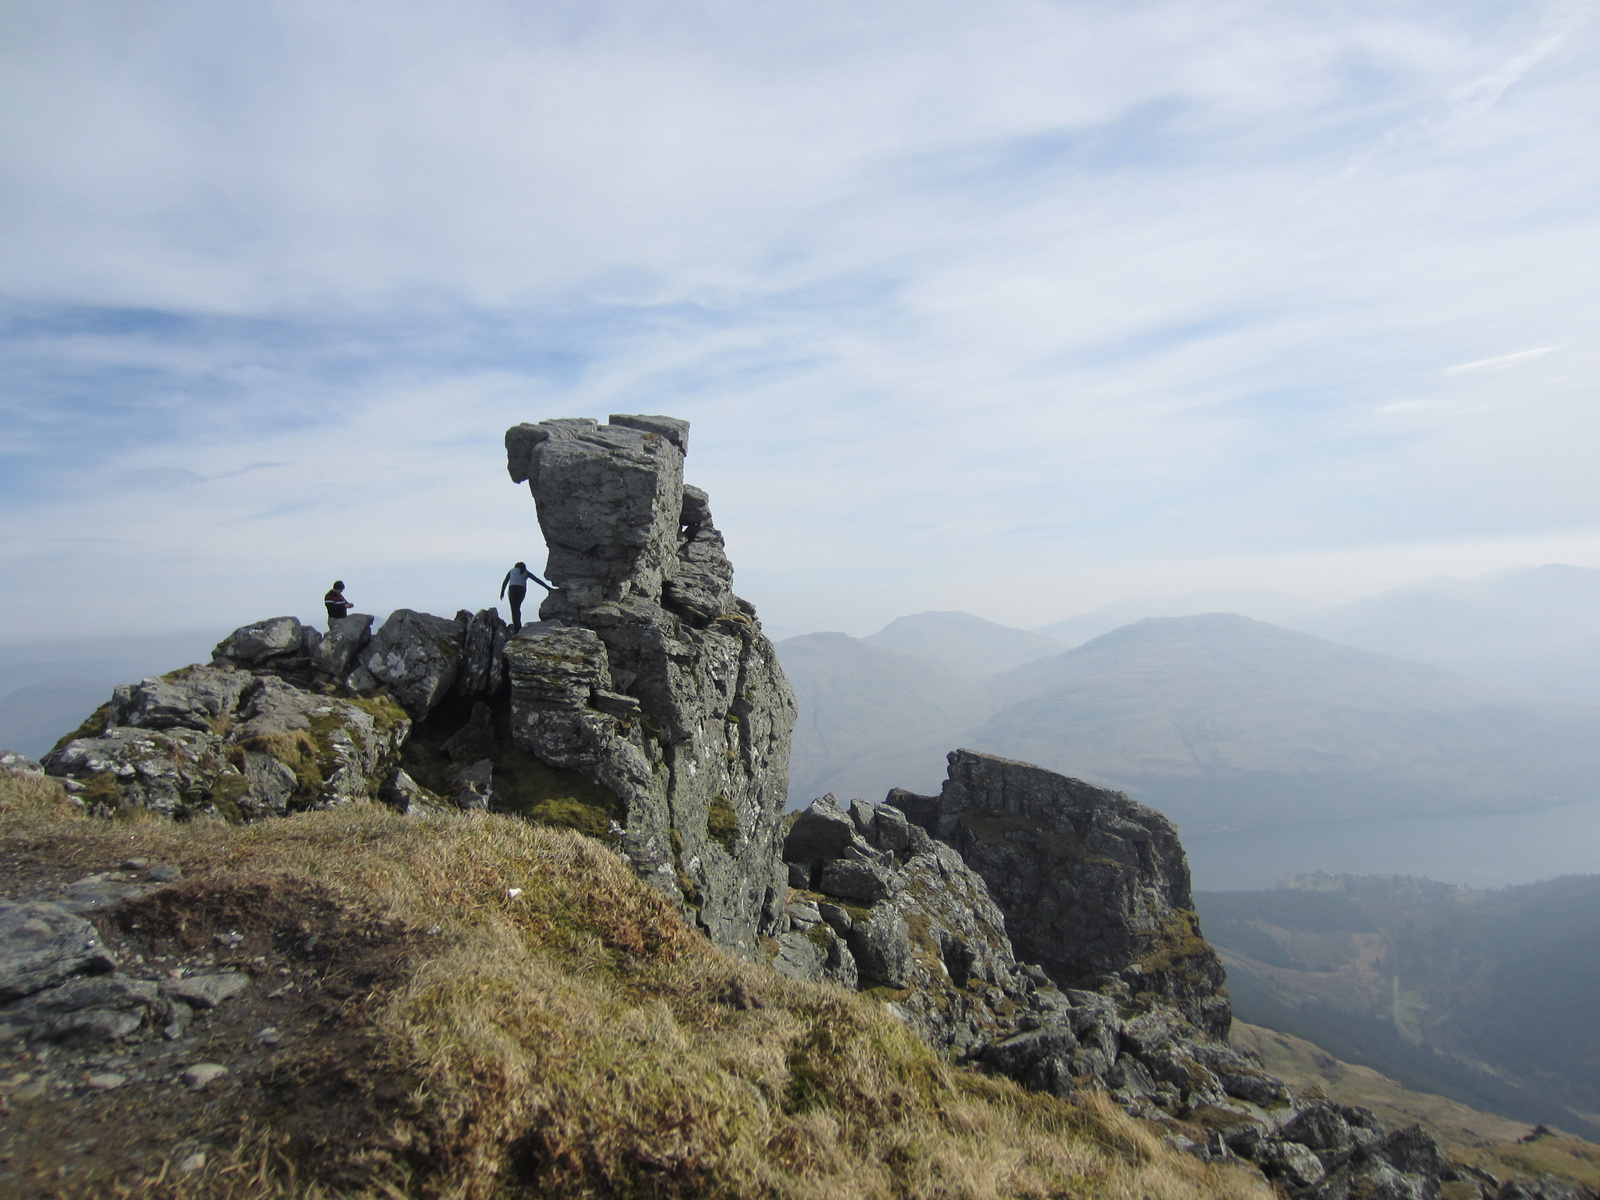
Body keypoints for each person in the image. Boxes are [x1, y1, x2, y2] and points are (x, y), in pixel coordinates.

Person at [499, 562, 552, 633]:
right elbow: (537, 580)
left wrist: (502, 592)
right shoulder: (526, 572)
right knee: (517, 608)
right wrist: (548, 588)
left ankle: (517, 629)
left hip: (513, 590)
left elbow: (505, 582)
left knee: (514, 609)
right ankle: (518, 626)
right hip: (521, 590)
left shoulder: (512, 571)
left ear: (516, 566)